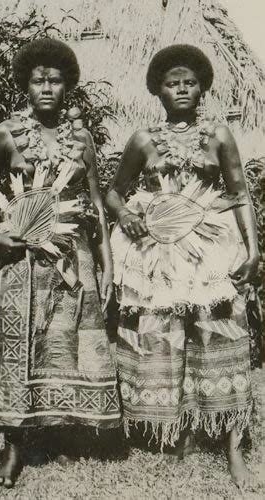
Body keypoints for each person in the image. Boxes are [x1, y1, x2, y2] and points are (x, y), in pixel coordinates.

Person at [106, 44, 259, 487]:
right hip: (156, 253)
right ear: (158, 90)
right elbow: (116, 192)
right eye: (172, 83)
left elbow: (239, 193)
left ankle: (233, 446)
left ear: (203, 88)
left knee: (222, 335)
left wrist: (253, 250)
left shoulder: (219, 136)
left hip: (210, 251)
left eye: (190, 83)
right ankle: (175, 429)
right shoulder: (142, 140)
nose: (182, 90)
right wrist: (127, 215)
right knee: (161, 337)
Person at [0, 37, 120, 488]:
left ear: (68, 84)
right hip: (21, 259)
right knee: (20, 344)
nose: (47, 89)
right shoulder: (7, 134)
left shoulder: (81, 140)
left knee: (70, 343)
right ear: (25, 84)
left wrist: (107, 263)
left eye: (55, 80)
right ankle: (14, 448)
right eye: (38, 80)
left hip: (73, 257)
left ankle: (66, 434)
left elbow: (95, 204)